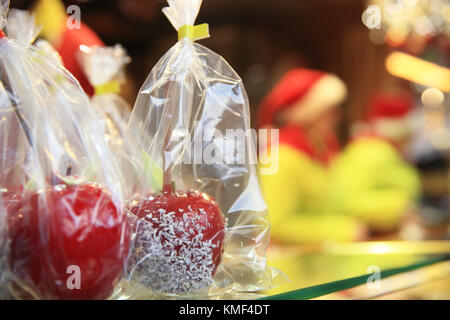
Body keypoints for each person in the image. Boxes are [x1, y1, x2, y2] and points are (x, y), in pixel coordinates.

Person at [258, 68, 364, 244]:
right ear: (309, 114)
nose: (337, 117)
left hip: (321, 262)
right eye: (329, 111)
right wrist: (342, 230)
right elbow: (274, 225)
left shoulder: (320, 153)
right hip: (294, 267)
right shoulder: (282, 156)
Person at [328, 92, 421, 234]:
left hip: (386, 235)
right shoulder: (370, 151)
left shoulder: (386, 150)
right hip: (373, 237)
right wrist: (399, 208)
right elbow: (349, 200)